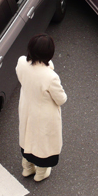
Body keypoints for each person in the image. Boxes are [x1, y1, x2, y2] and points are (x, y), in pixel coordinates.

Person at [16, 34, 67, 182]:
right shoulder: (50, 77)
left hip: (26, 107)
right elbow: (61, 99)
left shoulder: (21, 62)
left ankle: (27, 168)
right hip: (44, 115)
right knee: (43, 143)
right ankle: (40, 173)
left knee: (27, 137)